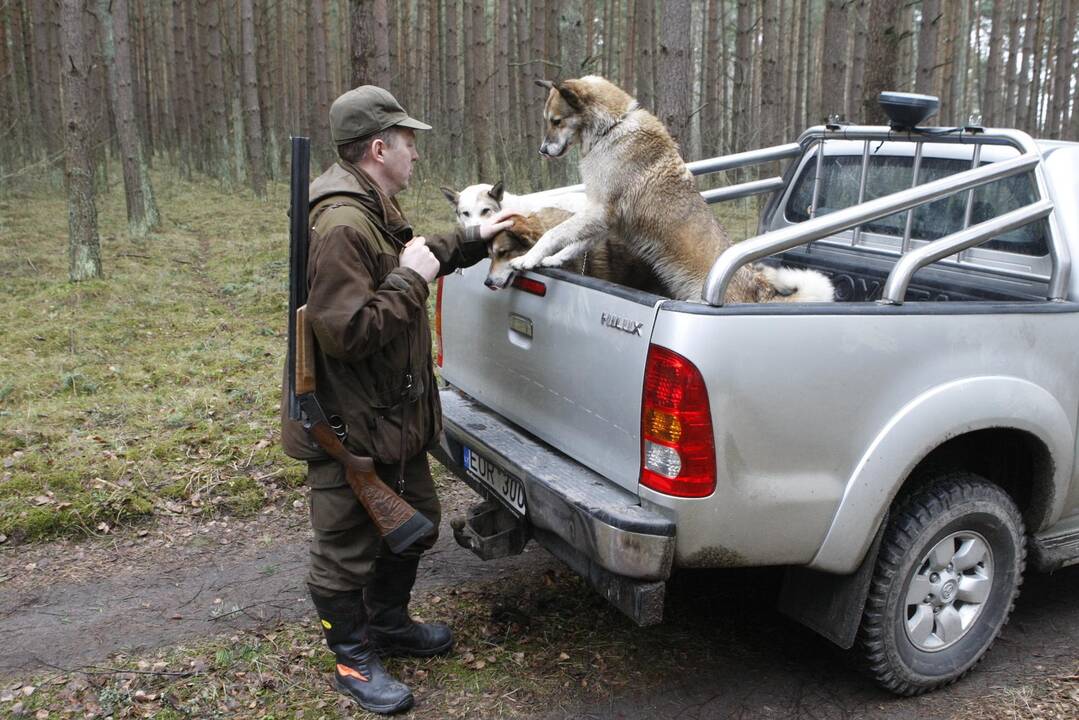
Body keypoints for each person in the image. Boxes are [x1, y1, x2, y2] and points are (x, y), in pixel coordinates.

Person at [280, 85, 511, 715]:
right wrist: (416, 277)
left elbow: (409, 258)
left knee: (415, 525)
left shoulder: (371, 206)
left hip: (391, 416)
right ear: (380, 148)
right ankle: (353, 662)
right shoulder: (343, 224)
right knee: (343, 553)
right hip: (350, 426)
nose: (415, 155)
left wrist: (468, 240)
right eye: (409, 144)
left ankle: (388, 626)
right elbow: (346, 332)